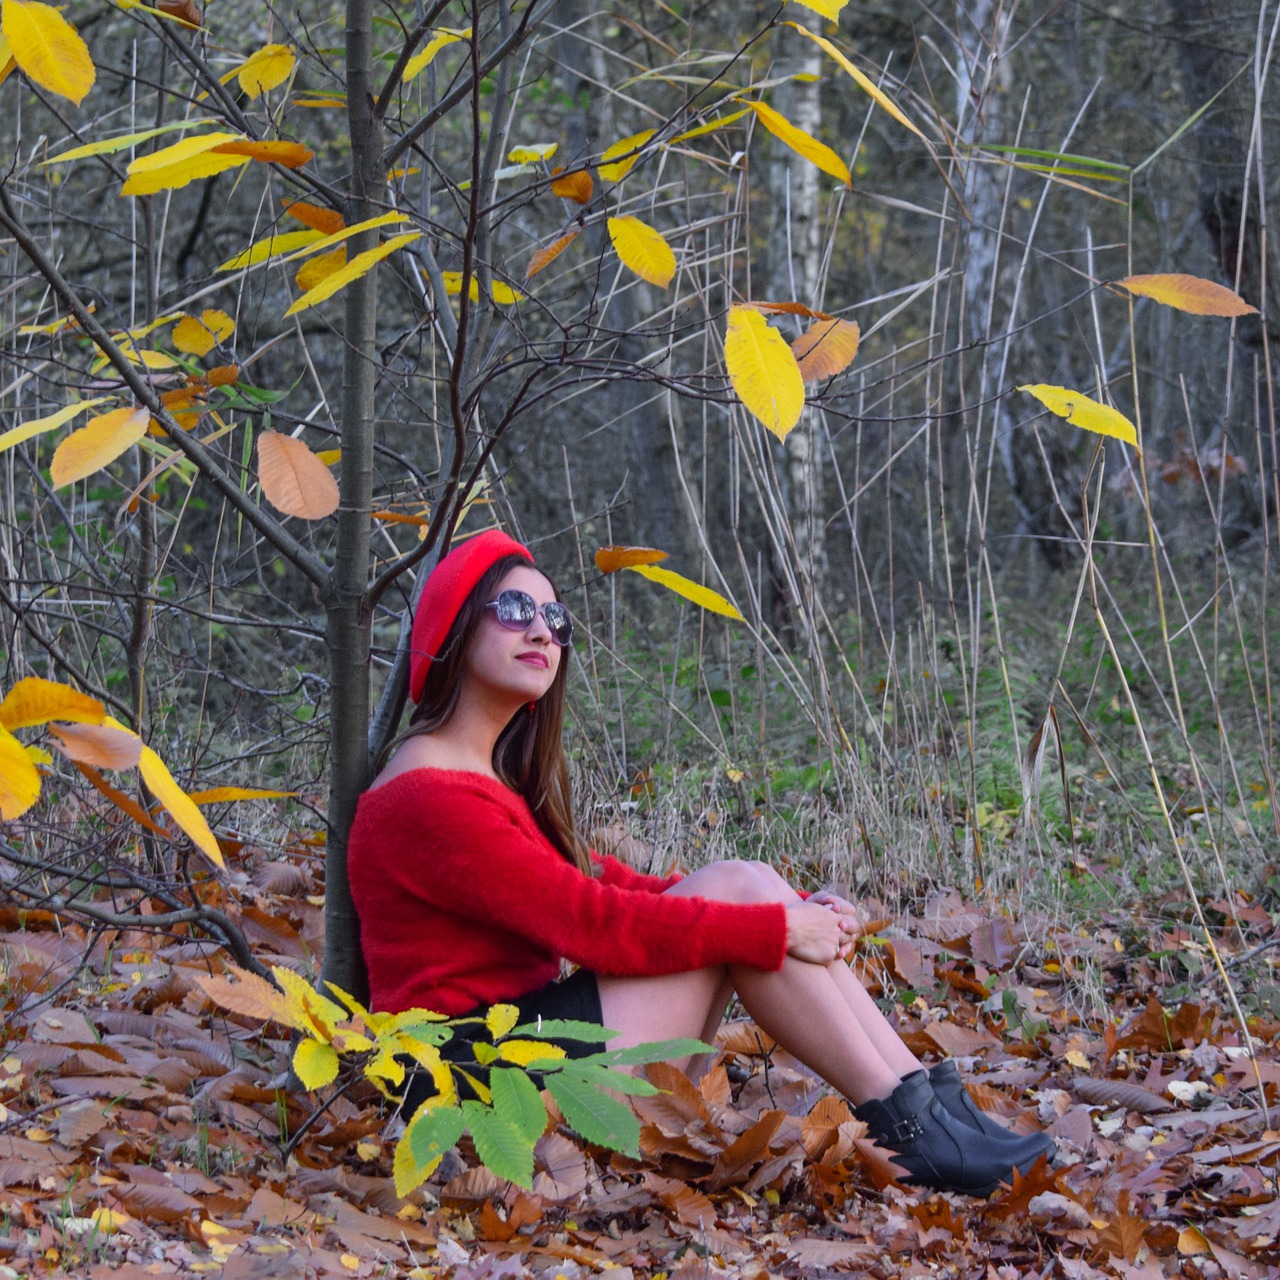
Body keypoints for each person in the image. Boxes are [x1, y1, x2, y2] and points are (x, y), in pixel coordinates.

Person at [347, 530, 1055, 1197]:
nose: (541, 631)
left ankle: (930, 1112)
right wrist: (776, 929)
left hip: (517, 1054)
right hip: (465, 1090)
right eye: (513, 610)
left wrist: (791, 908)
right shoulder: (429, 793)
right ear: (453, 626)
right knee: (741, 898)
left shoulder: (481, 778)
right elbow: (592, 924)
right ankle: (915, 1130)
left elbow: (606, 883)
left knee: (746, 886)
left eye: (555, 619)